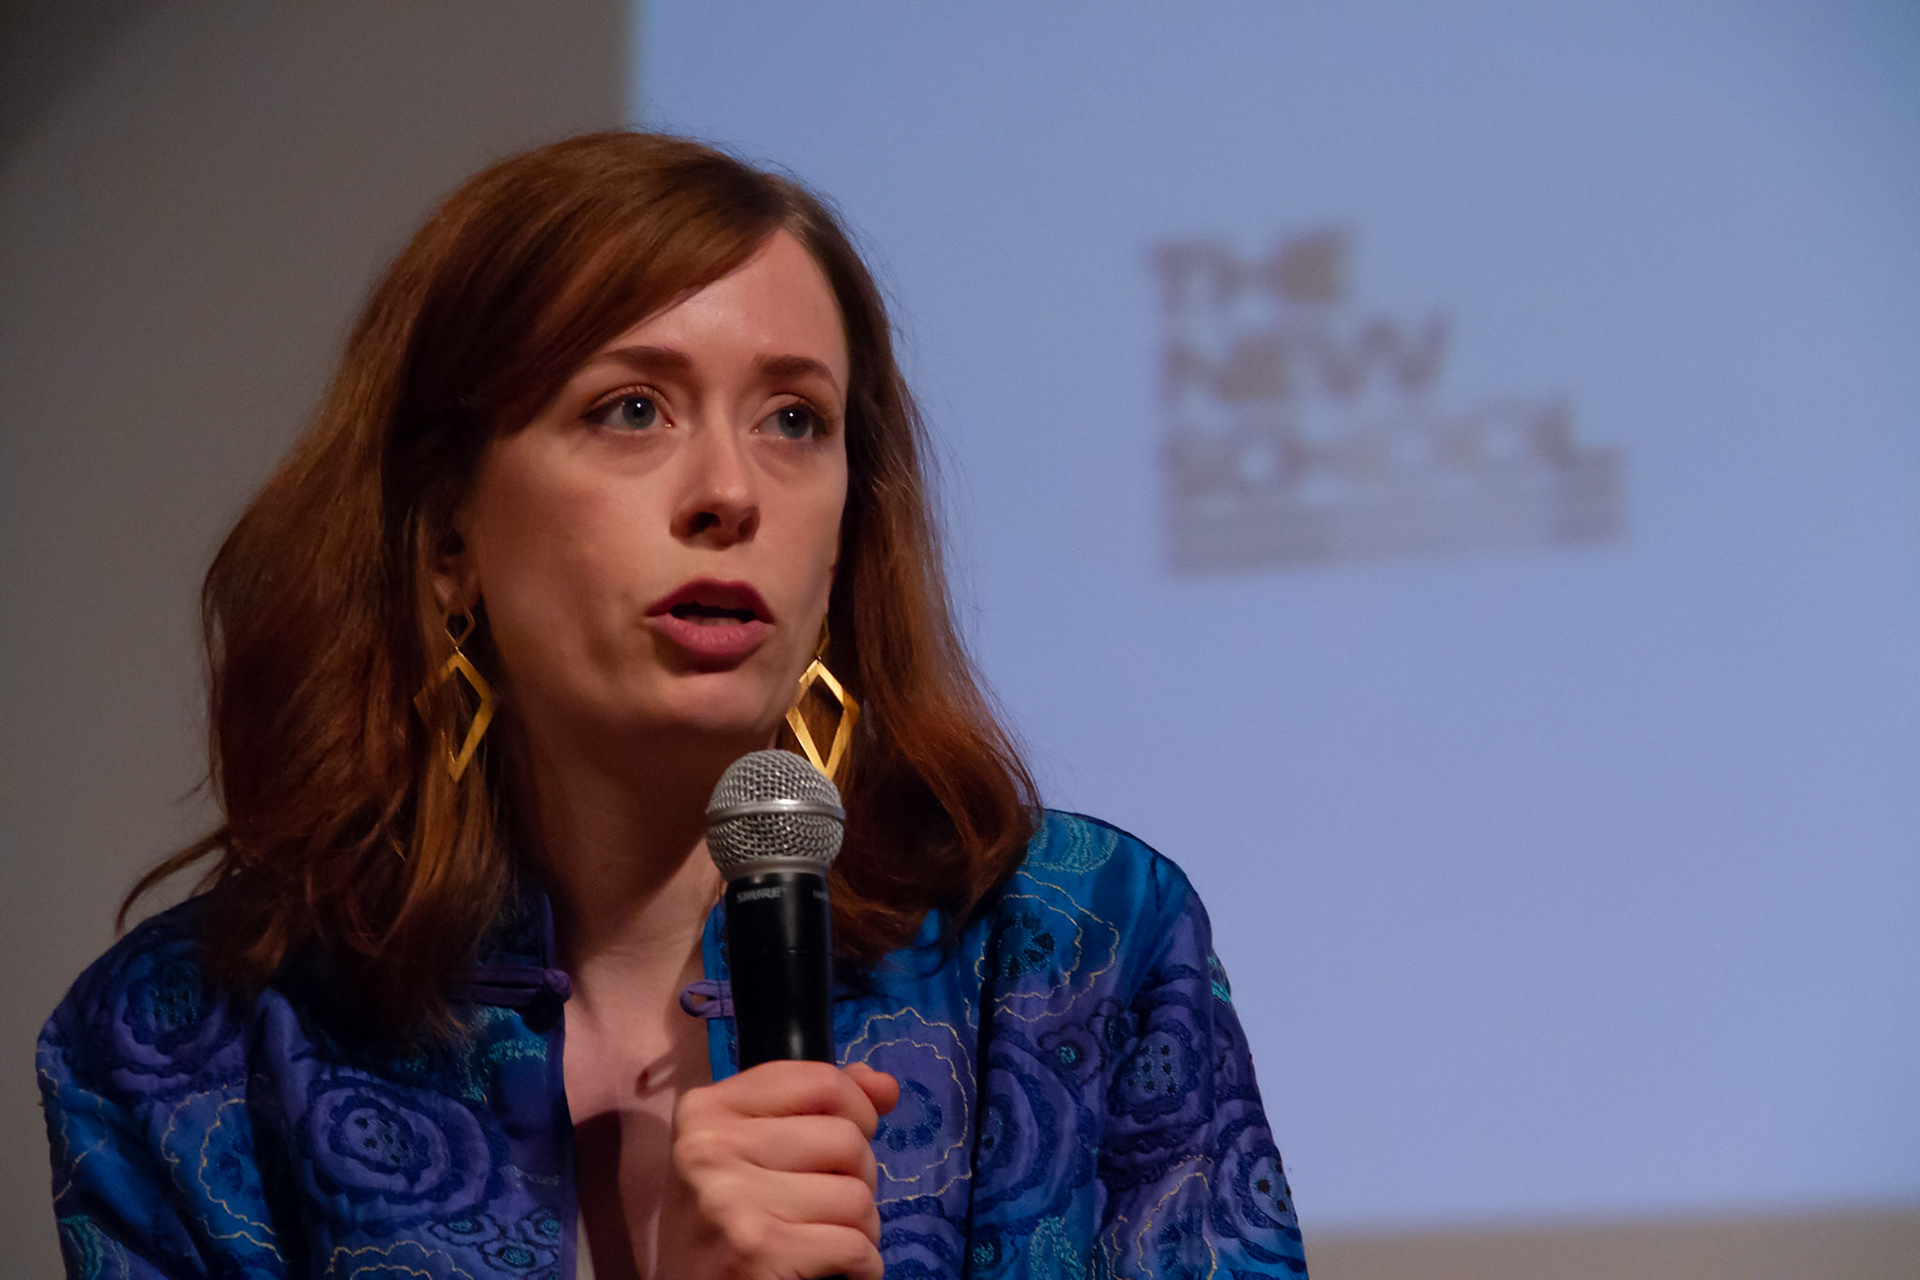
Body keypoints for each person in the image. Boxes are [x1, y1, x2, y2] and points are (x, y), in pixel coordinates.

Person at [38, 132, 1308, 1280]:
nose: (730, 492)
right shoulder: (189, 1044)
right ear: (447, 533)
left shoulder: (1079, 944)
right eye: (632, 409)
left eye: (794, 419)